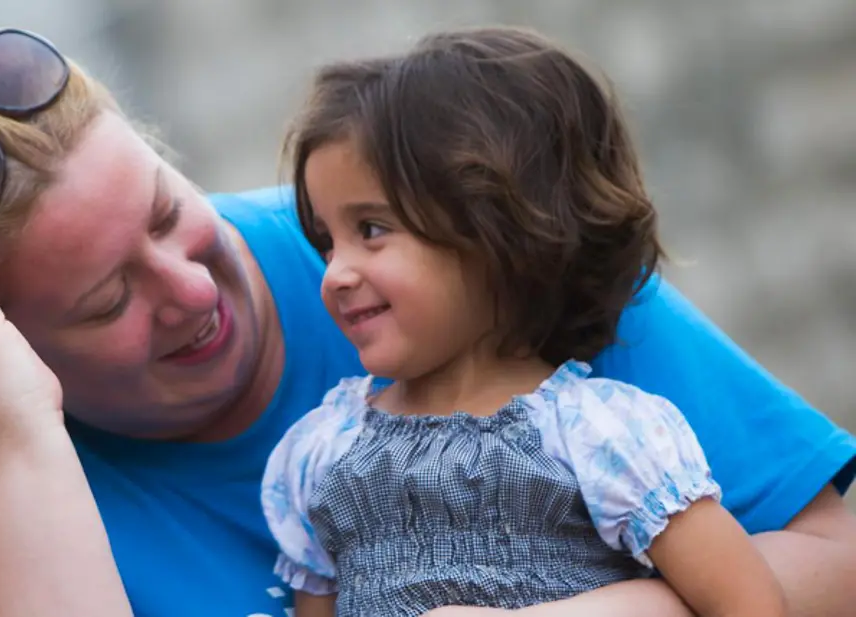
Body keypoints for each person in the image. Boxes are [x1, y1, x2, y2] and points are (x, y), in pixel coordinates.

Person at [0, 26, 856, 617]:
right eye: (108, 301)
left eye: (167, 212)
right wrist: (16, 450)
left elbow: (837, 553)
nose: (189, 289)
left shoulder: (451, 251)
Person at [261, 27, 784, 617]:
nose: (335, 274)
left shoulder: (598, 436)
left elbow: (750, 604)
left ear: (497, 232)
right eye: (327, 242)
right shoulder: (323, 454)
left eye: (372, 231)